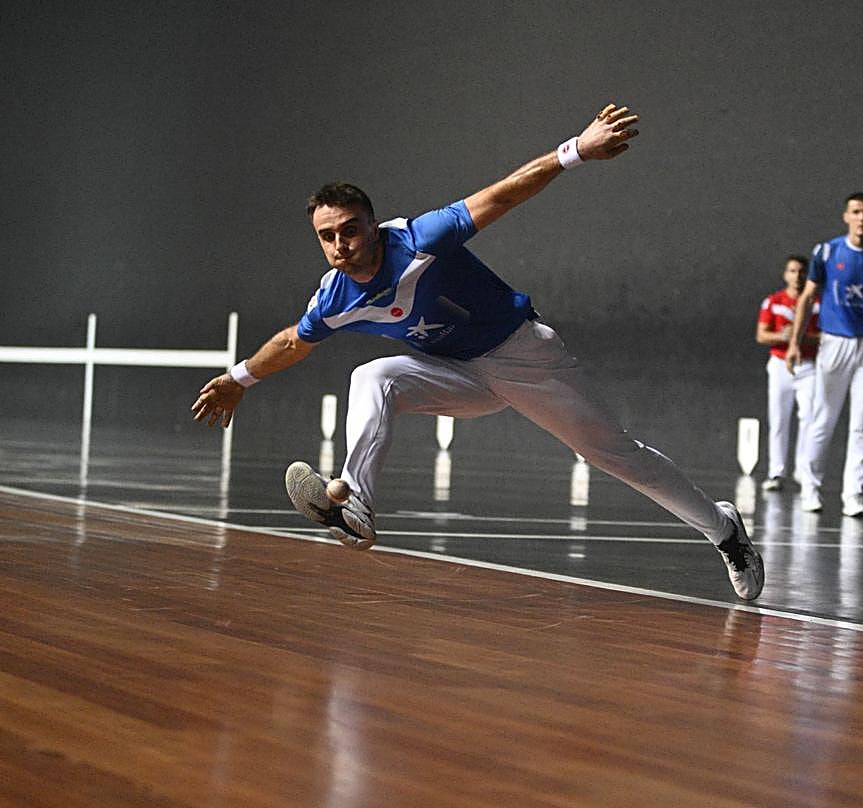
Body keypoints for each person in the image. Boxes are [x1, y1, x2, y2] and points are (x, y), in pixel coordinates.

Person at [190, 103, 764, 600]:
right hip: (453, 375)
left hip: (522, 356)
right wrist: (240, 378)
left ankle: (723, 530)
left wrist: (578, 151)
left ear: (371, 224)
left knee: (614, 455)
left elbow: (506, 193)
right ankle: (357, 503)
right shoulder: (335, 297)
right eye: (327, 236)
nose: (341, 244)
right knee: (372, 377)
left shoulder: (423, 238)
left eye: (350, 229)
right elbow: (294, 341)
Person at [784, 193, 863, 517]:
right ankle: (811, 488)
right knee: (823, 418)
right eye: (856, 212)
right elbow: (808, 297)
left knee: (862, 424)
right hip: (834, 343)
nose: (862, 217)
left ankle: (854, 493)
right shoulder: (827, 252)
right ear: (846, 216)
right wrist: (796, 343)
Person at [756, 254, 822, 491]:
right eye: (792, 271)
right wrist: (782, 336)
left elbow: (826, 336)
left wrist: (800, 336)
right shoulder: (773, 302)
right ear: (786, 275)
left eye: (802, 271)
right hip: (780, 365)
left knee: (809, 418)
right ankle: (776, 472)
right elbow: (762, 335)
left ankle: (803, 471)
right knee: (779, 419)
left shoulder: (817, 303)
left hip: (808, 367)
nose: (797, 276)